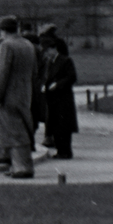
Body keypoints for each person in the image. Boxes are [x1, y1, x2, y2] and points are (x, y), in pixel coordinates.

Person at [0, 14, 37, 177]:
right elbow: (34, 71)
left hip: (7, 96)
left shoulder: (6, 46)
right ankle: (18, 166)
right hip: (24, 94)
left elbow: (1, 73)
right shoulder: (27, 44)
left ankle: (22, 167)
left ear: (2, 30)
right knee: (22, 128)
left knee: (13, 132)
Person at [38, 26, 78, 159]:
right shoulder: (50, 62)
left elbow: (72, 77)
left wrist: (58, 84)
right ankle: (61, 150)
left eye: (48, 51)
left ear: (53, 49)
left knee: (63, 126)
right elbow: (46, 77)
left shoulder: (65, 61)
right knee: (55, 125)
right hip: (53, 98)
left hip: (63, 98)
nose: (47, 54)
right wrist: (45, 85)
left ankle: (66, 150)